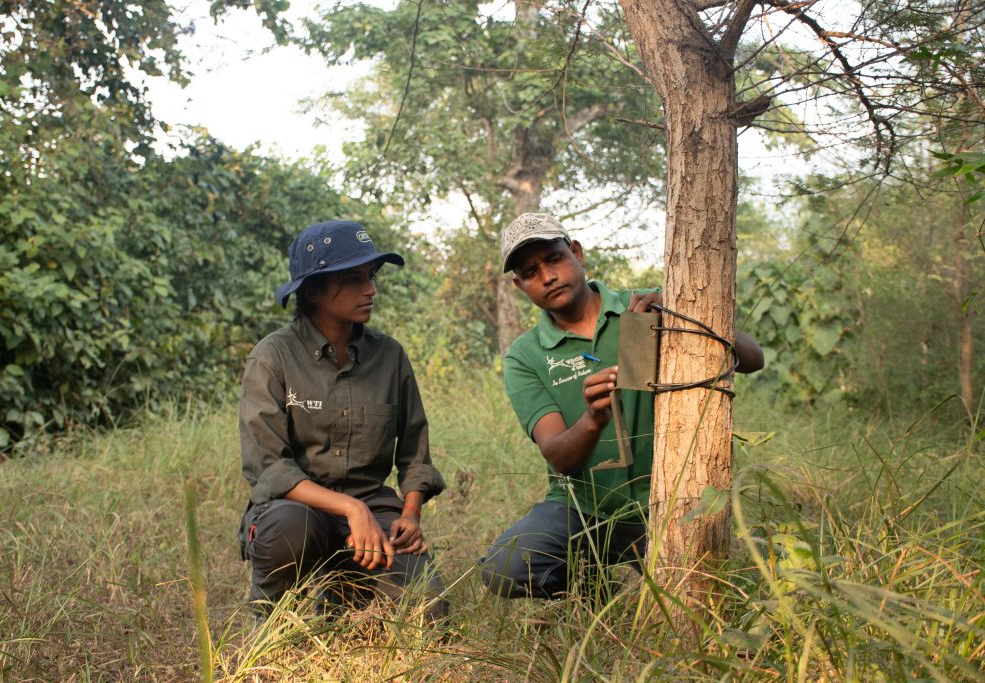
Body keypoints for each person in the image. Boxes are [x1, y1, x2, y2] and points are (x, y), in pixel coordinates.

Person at [480, 213, 763, 600]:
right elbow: (558, 455)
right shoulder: (525, 356)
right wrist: (593, 419)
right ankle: (593, 590)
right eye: (530, 272)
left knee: (716, 589)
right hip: (584, 510)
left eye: (554, 258)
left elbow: (752, 359)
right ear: (519, 285)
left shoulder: (643, 309)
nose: (547, 276)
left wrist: (687, 315)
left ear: (576, 253)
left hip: (665, 503)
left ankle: (656, 573)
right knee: (504, 567)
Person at [237, 220, 448, 620]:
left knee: (430, 611)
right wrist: (351, 509)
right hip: (297, 510)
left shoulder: (390, 356)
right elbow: (268, 468)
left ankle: (343, 590)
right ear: (314, 290)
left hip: (373, 511)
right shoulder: (272, 357)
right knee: (289, 529)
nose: (370, 289)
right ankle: (272, 613)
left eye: (369, 276)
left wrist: (410, 514)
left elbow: (415, 455)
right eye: (353, 279)